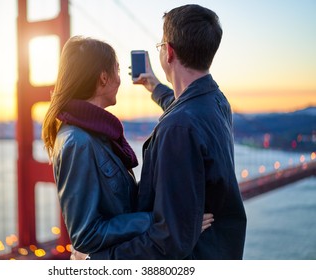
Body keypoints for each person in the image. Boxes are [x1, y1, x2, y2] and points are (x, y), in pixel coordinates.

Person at [74, 4, 247, 260]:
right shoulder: (216, 101)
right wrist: (154, 86)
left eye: (161, 45)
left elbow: (168, 241)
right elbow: (186, 109)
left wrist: (95, 262)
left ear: (168, 52)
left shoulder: (177, 129)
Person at [42, 36, 213, 256]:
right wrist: (164, 221)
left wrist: (173, 200)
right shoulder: (78, 142)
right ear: (104, 78)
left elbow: (123, 201)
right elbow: (86, 235)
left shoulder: (98, 132)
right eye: (118, 70)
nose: (121, 79)